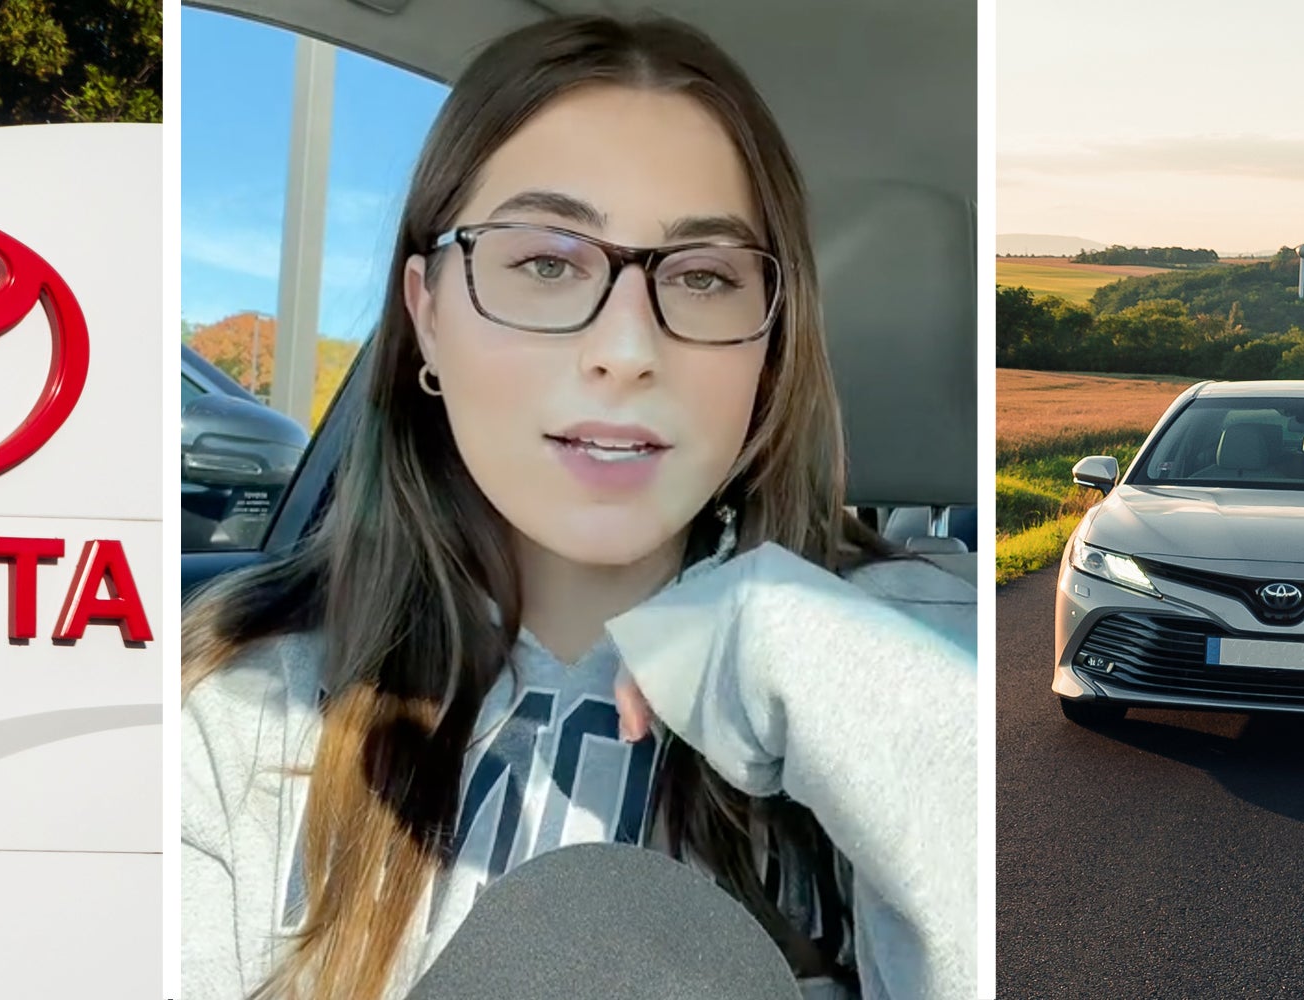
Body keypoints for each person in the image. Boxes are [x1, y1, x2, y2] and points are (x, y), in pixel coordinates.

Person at [181, 14, 975, 1000]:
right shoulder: (228, 711)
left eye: (702, 276)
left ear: (767, 342)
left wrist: (865, 691)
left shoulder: (932, 659)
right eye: (548, 263)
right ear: (428, 313)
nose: (627, 346)